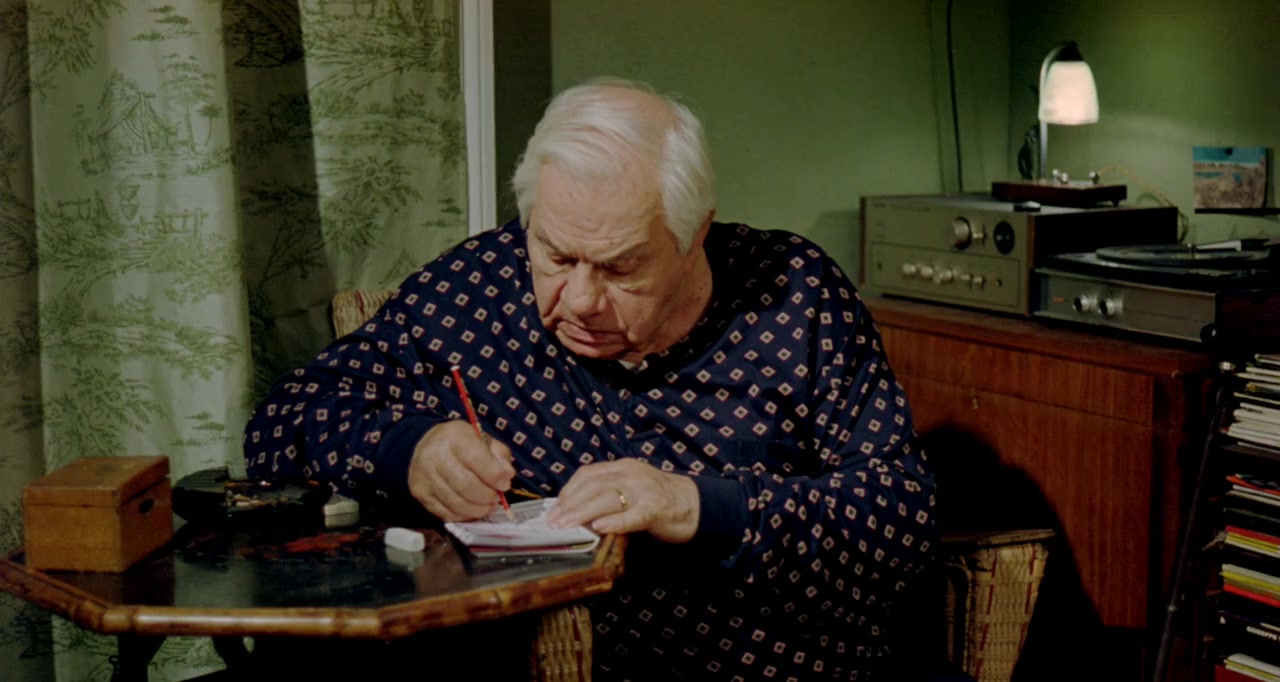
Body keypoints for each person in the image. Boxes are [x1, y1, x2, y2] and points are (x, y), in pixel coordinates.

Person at [245, 77, 938, 680]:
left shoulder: (793, 295)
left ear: (695, 235)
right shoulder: (475, 288)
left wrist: (694, 505)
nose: (578, 300)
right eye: (555, 255)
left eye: (619, 268)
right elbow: (284, 423)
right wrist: (409, 450)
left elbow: (901, 516)